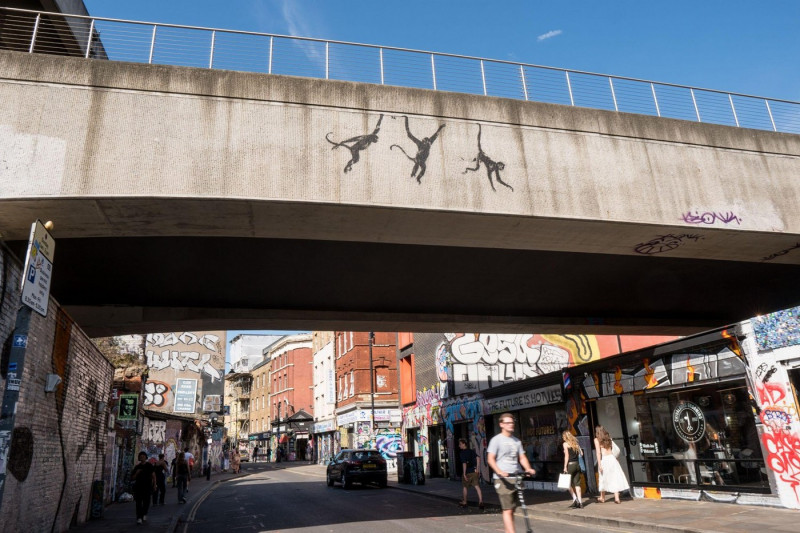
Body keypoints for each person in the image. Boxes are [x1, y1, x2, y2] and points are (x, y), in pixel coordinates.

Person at [487, 413, 537, 533]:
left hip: (516, 477)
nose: (511, 424)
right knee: (508, 509)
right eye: (508, 423)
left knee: (513, 508)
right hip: (503, 479)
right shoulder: (496, 440)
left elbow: (522, 458)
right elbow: (490, 459)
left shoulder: (516, 441)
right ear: (501, 424)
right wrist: (499, 471)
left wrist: (528, 469)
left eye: (512, 422)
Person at [594, 425, 629, 504]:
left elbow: (598, 453)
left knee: (603, 478)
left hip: (605, 460)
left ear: (597, 432)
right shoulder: (608, 438)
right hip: (612, 459)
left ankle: (602, 498)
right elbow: (613, 450)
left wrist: (599, 464)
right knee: (614, 478)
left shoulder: (596, 440)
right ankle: (617, 498)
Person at [458, 438, 484, 509]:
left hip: (467, 473)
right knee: (477, 486)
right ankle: (481, 501)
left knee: (465, 487)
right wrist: (478, 470)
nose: (459, 446)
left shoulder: (462, 453)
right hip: (474, 472)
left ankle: (465, 502)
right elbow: (478, 458)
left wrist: (464, 473)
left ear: (464, 444)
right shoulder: (471, 451)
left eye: (460, 444)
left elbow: (464, 464)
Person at [131, 451, 156, 525]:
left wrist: (155, 485)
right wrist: (137, 473)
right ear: (139, 458)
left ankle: (144, 513)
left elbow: (153, 476)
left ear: (145, 457)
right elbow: (132, 478)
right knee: (138, 503)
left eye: (143, 456)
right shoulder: (137, 467)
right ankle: (139, 517)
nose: (142, 458)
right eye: (141, 457)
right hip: (138, 487)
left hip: (147, 487)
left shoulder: (149, 465)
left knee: (146, 502)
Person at [561, 431, 584, 509]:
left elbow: (566, 456)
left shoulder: (565, 444)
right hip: (577, 465)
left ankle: (575, 498)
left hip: (570, 465)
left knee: (567, 483)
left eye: (563, 436)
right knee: (577, 484)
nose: (562, 438)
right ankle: (580, 503)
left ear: (565, 437)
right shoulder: (576, 444)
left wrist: (565, 467)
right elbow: (581, 454)